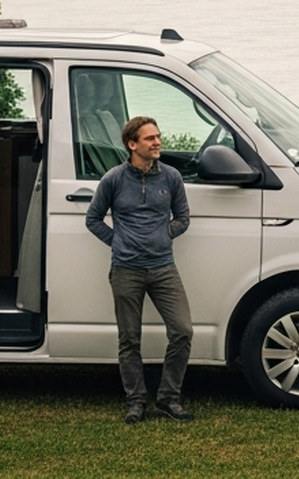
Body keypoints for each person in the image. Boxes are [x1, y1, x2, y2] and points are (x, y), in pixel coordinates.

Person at [86, 116, 195, 424]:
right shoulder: (114, 179)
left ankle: (168, 398)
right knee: (129, 340)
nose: (157, 142)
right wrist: (119, 241)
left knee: (183, 331)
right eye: (150, 139)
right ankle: (136, 402)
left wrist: (162, 235)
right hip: (126, 269)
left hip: (163, 268)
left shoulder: (171, 177)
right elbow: (93, 219)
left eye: (158, 136)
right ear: (132, 145)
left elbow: (183, 218)